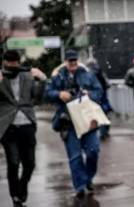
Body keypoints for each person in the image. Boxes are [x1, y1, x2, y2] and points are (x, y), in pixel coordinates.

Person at [45, 49, 103, 199]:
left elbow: (99, 91)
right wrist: (58, 94)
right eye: (70, 61)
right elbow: (47, 93)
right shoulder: (58, 76)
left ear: (78, 60)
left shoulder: (87, 74)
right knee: (75, 157)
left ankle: (88, 178)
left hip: (87, 120)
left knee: (93, 151)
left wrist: (89, 94)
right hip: (68, 122)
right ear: (65, 61)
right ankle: (80, 186)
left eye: (75, 60)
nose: (73, 63)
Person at [0, 50, 47, 207]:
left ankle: (23, 185)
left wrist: (42, 80)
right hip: (8, 126)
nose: (12, 67)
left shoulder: (26, 76)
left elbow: (38, 99)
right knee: (13, 162)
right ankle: (15, 197)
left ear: (19, 63)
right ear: (4, 63)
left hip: (27, 124)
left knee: (30, 163)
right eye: (8, 64)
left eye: (15, 64)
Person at [87, 58, 112, 139]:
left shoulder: (86, 73)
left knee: (93, 115)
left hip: (92, 97)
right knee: (104, 113)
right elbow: (107, 84)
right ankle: (104, 132)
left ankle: (95, 134)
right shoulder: (101, 72)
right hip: (103, 97)